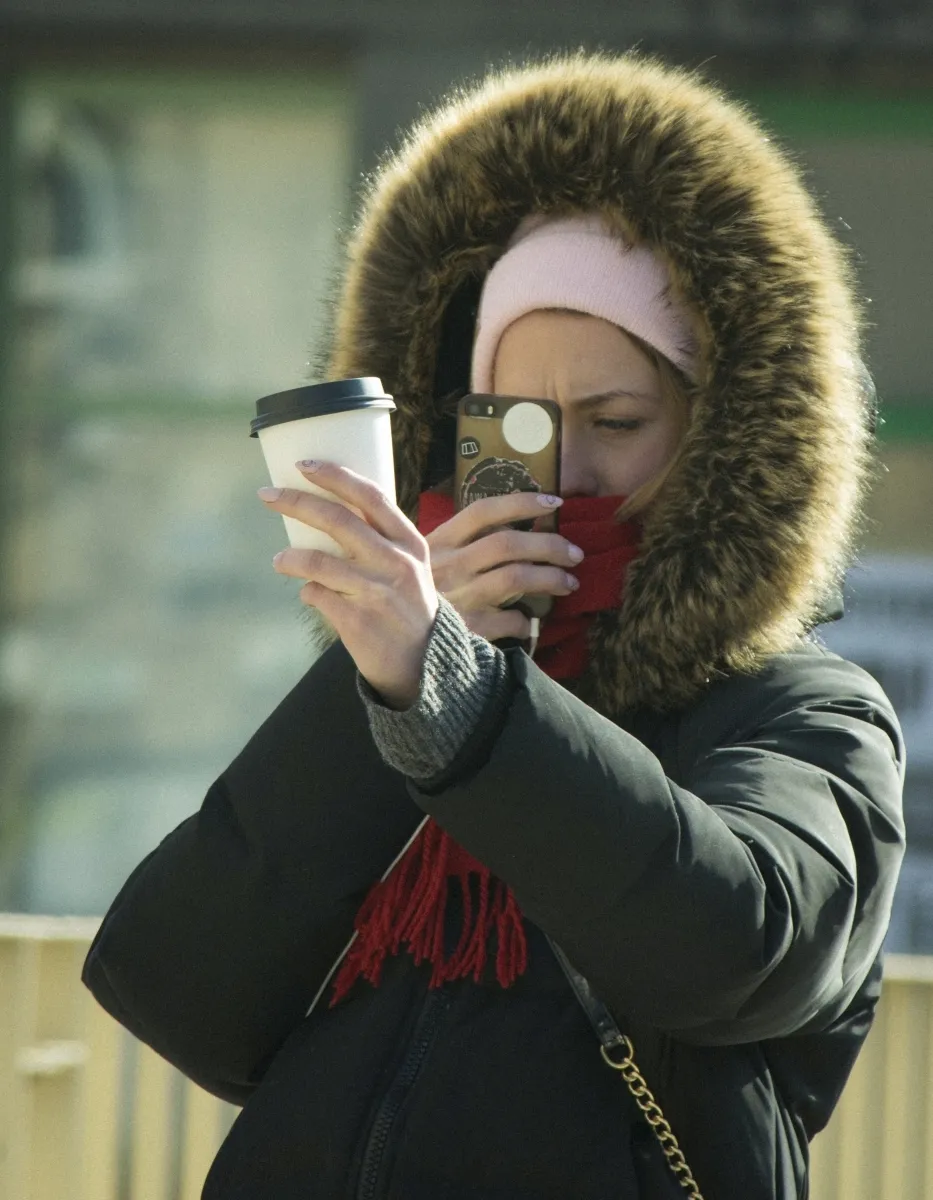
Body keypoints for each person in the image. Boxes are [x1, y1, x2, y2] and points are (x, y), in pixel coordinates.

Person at [83, 52, 906, 1200]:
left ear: (716, 437)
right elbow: (176, 991)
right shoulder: (400, 674)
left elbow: (743, 953)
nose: (559, 470)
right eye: (511, 425)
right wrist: (393, 687)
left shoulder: (799, 705)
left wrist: (470, 712)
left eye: (614, 419)